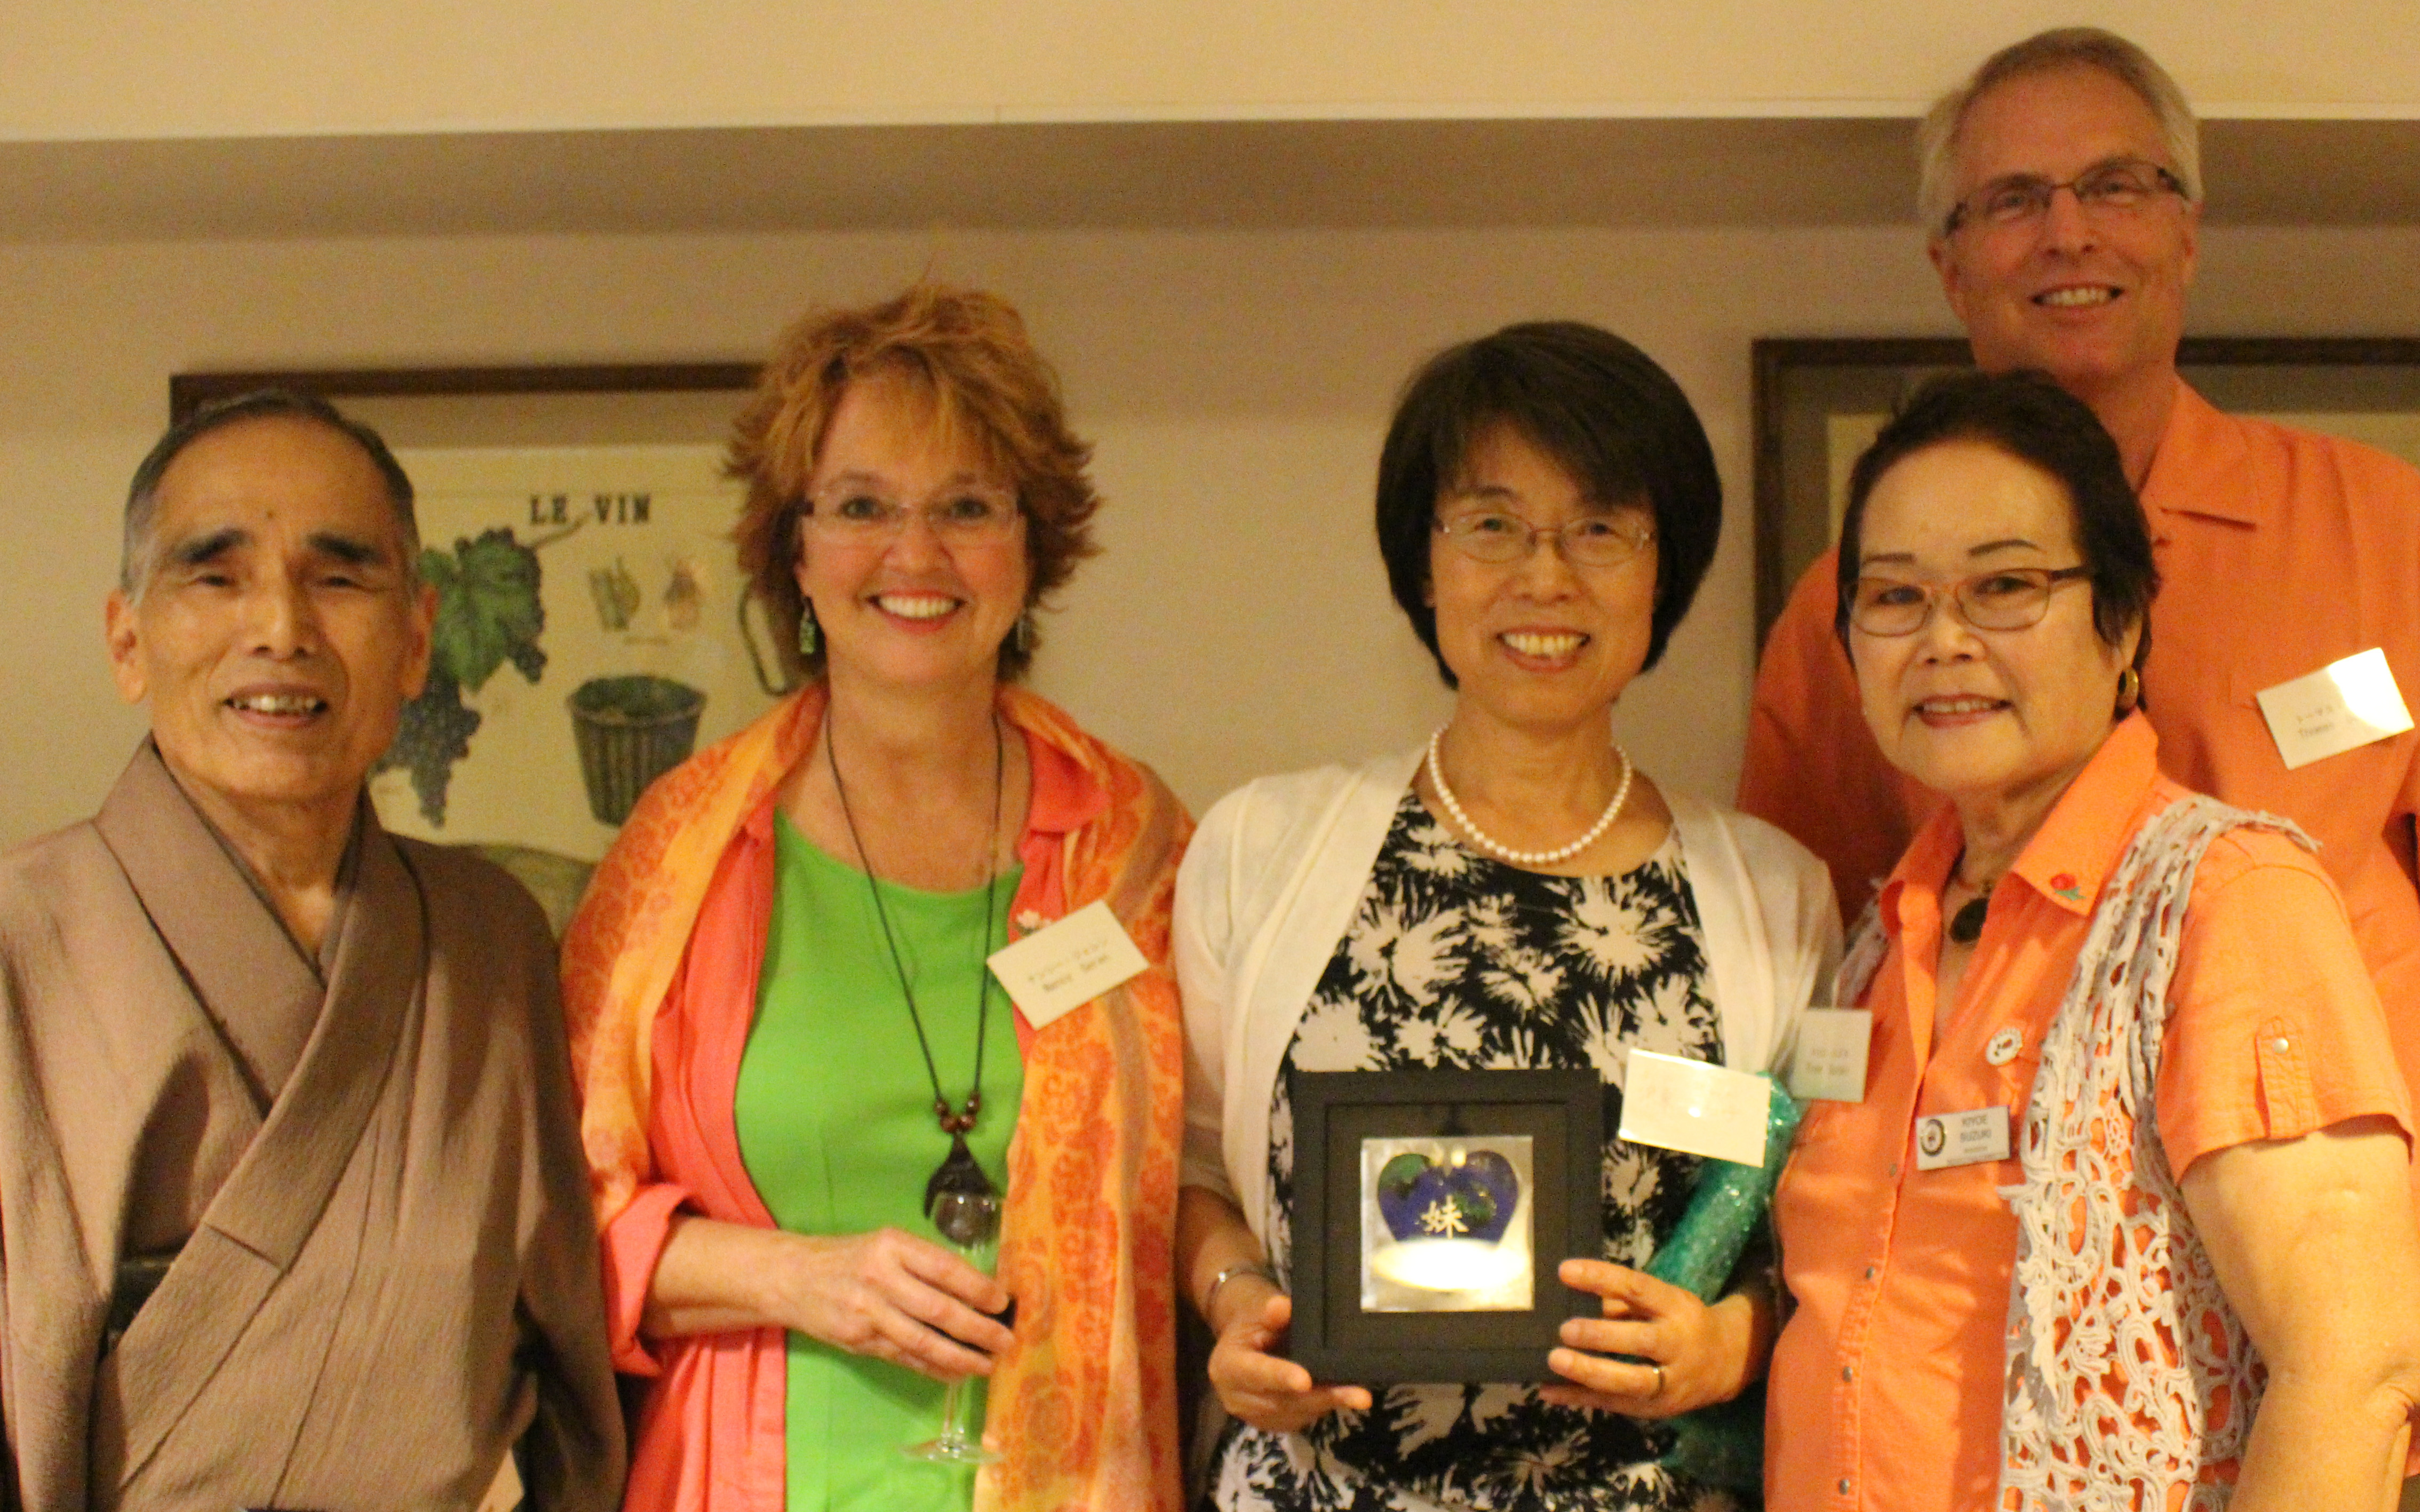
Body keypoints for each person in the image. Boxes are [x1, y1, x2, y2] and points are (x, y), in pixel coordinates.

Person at [1175, 322, 1839, 1511]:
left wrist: (1730, 1343)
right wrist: (1236, 1307)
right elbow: (1190, 1172)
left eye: (1600, 529)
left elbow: (1818, 1217)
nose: (1546, 578)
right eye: (1492, 524)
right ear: (1423, 564)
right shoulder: (1259, 849)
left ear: (1663, 572)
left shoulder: (1777, 895)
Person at [561, 283, 1188, 1512]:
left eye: (967, 506)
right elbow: (557, 1228)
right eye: (860, 506)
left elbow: (1214, 1172)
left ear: (1031, 548)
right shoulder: (678, 855)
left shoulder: (1136, 846)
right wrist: (795, 1277)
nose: (915, 554)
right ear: (794, 552)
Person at [1766, 369, 2420, 1510]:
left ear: (2122, 626)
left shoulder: (2224, 896)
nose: (1945, 641)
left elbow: (2360, 1370)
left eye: (2005, 587)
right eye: (1895, 597)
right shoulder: (1877, 937)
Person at [1737, 29, 2420, 1108]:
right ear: (1950, 269)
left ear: (2186, 234)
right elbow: (1809, 977)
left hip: (2343, 1163)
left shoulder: (2387, 528)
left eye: (2115, 186)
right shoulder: (1852, 609)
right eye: (2014, 200)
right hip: (1990, 1185)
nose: (2069, 233)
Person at [0, 390, 625, 1510]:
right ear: (128, 641)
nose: (282, 628)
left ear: (417, 640)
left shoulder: (489, 936)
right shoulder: (20, 937)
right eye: (216, 577)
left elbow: (566, 1362)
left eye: (339, 578)